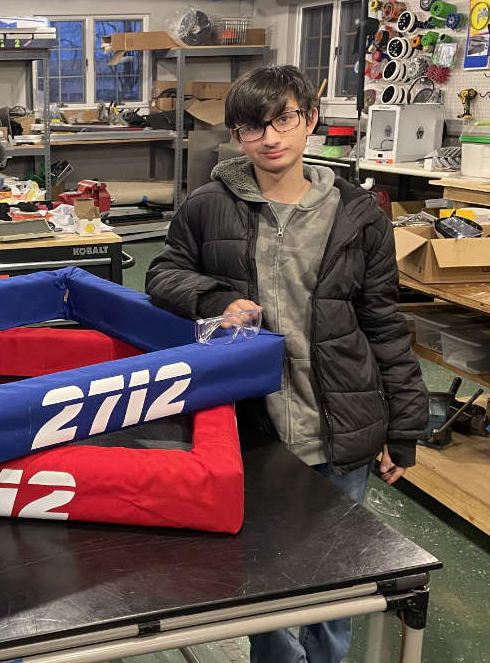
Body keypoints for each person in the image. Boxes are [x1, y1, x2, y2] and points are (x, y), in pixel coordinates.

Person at [145, 65, 428, 663]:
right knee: (265, 579)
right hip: (252, 427)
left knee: (336, 578)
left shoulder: (357, 214)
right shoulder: (207, 206)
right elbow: (161, 275)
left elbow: (382, 322)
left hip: (339, 423)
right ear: (236, 135)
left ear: (310, 121)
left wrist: (403, 428)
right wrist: (216, 300)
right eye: (252, 126)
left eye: (284, 120)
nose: (270, 137)